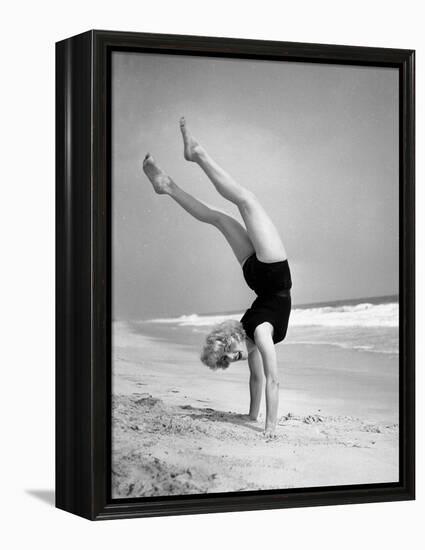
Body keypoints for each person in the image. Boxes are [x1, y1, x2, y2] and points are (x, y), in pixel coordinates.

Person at [142, 118, 292, 438]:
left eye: (232, 352)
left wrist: (270, 429)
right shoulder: (252, 338)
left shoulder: (260, 335)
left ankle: (197, 154)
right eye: (232, 359)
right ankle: (167, 186)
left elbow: (273, 380)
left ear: (232, 337)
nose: (237, 357)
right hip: (258, 274)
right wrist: (252, 417)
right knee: (219, 217)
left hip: (271, 270)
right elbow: (258, 380)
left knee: (245, 201)